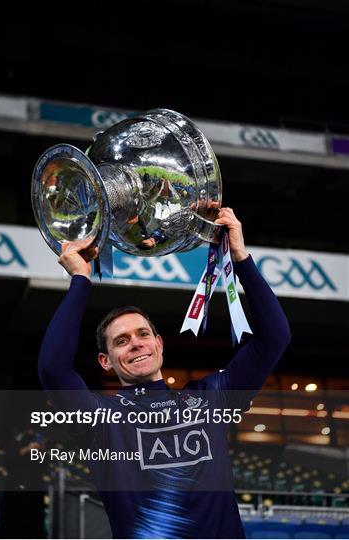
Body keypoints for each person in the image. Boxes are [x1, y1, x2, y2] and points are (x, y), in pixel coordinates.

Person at [38, 207, 291, 539]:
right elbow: (53, 369)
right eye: (122, 341)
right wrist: (80, 280)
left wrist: (241, 257)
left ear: (159, 344)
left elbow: (275, 337)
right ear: (105, 361)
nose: (136, 345)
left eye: (143, 335)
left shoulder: (210, 399)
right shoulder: (101, 420)